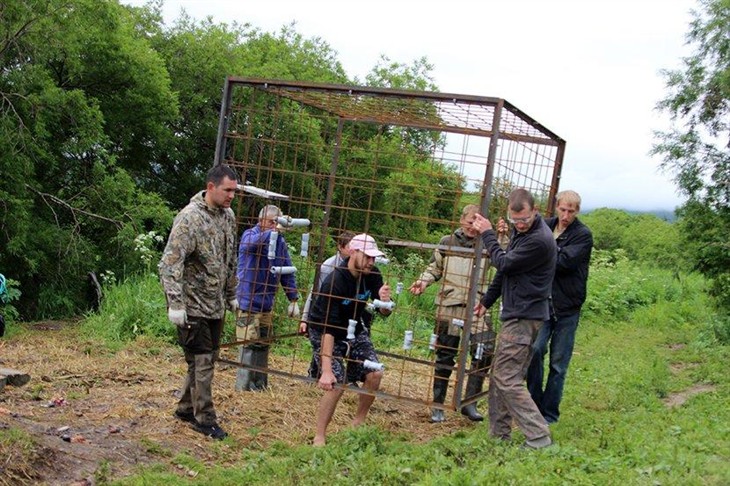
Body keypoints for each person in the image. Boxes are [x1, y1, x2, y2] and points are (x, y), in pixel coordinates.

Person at [158, 164, 239, 440]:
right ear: (211, 187)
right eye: (227, 190)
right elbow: (170, 263)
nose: (231, 196)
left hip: (214, 303)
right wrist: (175, 303)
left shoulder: (228, 217)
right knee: (203, 360)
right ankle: (204, 418)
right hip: (192, 304)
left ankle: (184, 407)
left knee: (203, 358)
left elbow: (230, 260)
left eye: (234, 191)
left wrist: (231, 295)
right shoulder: (189, 218)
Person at [472, 188, 557, 449]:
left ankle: (538, 435)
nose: (519, 225)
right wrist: (487, 300)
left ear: (536, 211)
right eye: (514, 220)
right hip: (519, 313)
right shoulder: (523, 234)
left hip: (524, 316)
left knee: (507, 377)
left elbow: (504, 264)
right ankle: (499, 435)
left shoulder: (539, 240)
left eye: (524, 220)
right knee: (502, 375)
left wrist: (488, 234)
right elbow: (508, 271)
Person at [409, 204, 506, 423]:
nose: (473, 226)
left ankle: (469, 403)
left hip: (477, 307)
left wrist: (501, 236)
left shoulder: (487, 243)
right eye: (470, 221)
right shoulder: (447, 242)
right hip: (449, 304)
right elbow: (434, 267)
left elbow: (505, 261)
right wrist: (423, 282)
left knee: (485, 350)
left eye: (478, 222)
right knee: (445, 353)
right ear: (462, 220)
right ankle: (438, 404)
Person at [308, 233, 392, 446]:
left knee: (375, 372)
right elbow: (328, 330)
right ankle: (320, 435)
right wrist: (326, 371)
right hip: (323, 329)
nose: (371, 262)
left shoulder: (372, 274)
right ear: (353, 252)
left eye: (374, 258)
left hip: (354, 327)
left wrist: (384, 302)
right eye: (367, 257)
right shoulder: (335, 281)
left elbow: (384, 313)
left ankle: (358, 422)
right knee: (335, 381)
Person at [526, 190, 593, 424]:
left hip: (568, 306)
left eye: (571, 211)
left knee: (558, 363)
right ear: (556, 207)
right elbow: (527, 245)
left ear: (577, 212)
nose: (566, 216)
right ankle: (534, 406)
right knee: (535, 350)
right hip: (543, 302)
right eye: (563, 210)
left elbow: (564, 262)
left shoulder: (583, 234)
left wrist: (542, 250)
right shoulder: (544, 225)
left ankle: (550, 414)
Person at [236, 204, 300, 392]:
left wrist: (293, 298)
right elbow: (251, 244)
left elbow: (286, 270)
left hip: (266, 303)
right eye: (272, 222)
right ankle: (244, 387)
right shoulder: (250, 235)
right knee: (247, 344)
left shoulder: (280, 243)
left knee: (263, 343)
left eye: (277, 222)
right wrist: (274, 232)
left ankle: (259, 385)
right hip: (247, 302)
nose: (275, 226)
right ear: (261, 221)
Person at [299, 230, 355, 379]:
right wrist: (305, 318)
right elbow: (314, 292)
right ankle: (316, 373)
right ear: (341, 247)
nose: (354, 250)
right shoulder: (328, 267)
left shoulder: (357, 267)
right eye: (351, 246)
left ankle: (317, 372)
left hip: (344, 312)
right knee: (323, 340)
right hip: (324, 312)